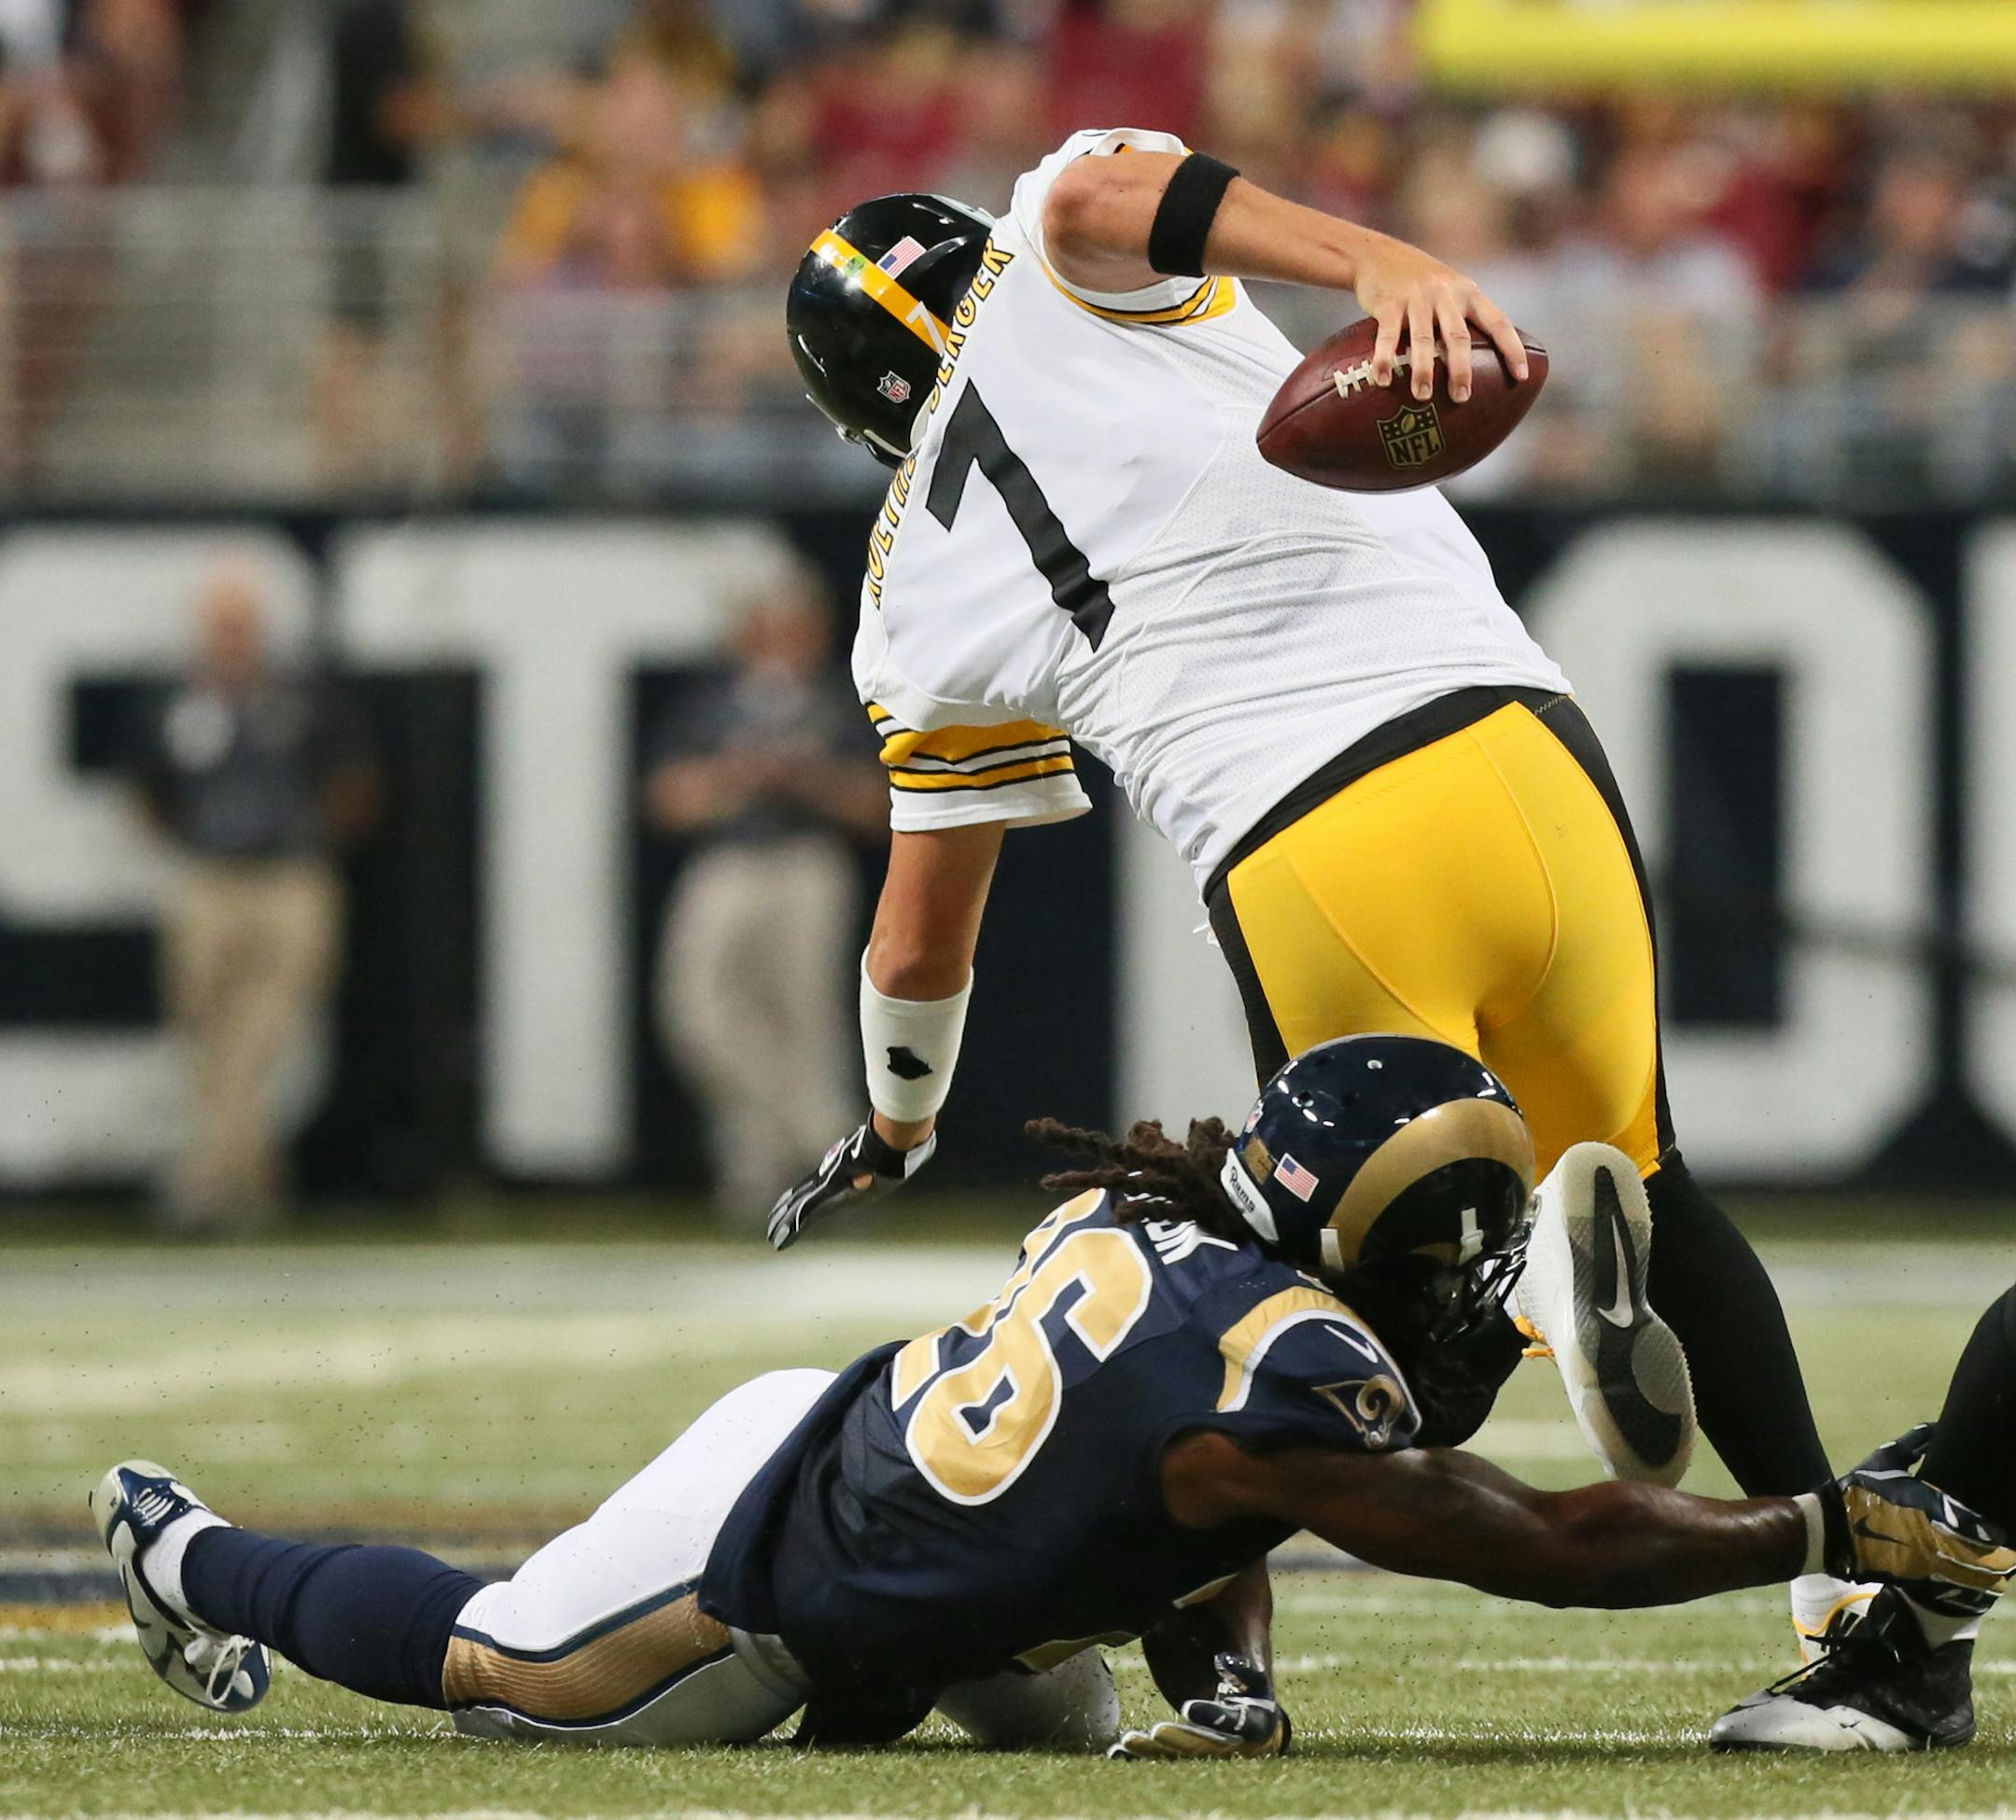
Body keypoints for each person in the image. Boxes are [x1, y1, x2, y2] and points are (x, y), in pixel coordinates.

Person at [764, 125, 1855, 1659]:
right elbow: (1098, 195)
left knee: (1316, 1304)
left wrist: (897, 1120)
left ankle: (1243, 1648)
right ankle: (1859, 1593)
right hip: (1531, 745)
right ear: (974, 257)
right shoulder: (1080, 276)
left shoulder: (910, 594)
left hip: (1316, 835)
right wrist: (1380, 259)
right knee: (1653, 1181)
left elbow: (920, 929)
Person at [91, 1036, 2014, 1753]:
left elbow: (1208, 1483)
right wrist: (1821, 1521)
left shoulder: (1188, 1246)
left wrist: (1232, 1679)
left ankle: (1127, 1683)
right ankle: (197, 1561)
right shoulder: (1279, 1366)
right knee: (504, 1667)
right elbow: (1542, 1549)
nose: (1460, 1275)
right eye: (1437, 1237)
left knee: (1059, 1715)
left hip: (974, 1537)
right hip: (794, 1544)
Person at [125, 567, 378, 1232]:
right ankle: (252, 1180)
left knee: (260, 1035)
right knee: (207, 1031)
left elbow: (354, 779)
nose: (232, 638)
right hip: (210, 878)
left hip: (290, 879)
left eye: (241, 624)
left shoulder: (303, 696)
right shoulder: (178, 701)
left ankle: (203, 1181)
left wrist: (315, 836)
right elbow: (147, 789)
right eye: (221, 625)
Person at [644, 566, 889, 1225]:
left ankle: (767, 1184)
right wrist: (739, 775)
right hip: (727, 861)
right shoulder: (714, 703)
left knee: (805, 1021)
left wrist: (811, 779)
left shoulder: (844, 699)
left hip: (809, 863)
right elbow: (667, 799)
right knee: (699, 1015)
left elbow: (879, 805)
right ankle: (830, 1142)